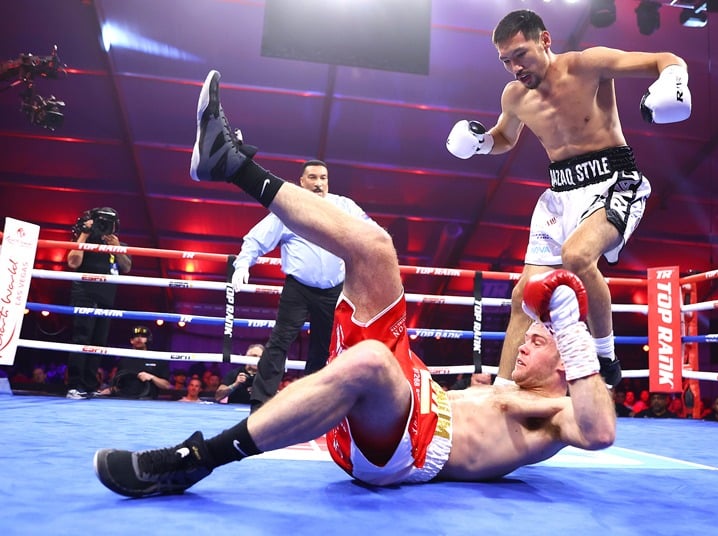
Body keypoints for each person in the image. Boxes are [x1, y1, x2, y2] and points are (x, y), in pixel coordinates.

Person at [92, 69, 616, 498]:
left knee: (367, 363)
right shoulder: (507, 388)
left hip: (407, 448)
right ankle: (227, 163)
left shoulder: (555, 414)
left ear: (567, 364)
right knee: (374, 246)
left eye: (540, 342)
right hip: (413, 391)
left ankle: (195, 459)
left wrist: (573, 329)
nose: (526, 342)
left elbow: (599, 432)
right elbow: (521, 310)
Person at [446, 10, 692, 389]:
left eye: (520, 54)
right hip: (559, 196)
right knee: (522, 297)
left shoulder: (587, 65)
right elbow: (505, 137)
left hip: (613, 181)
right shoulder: (514, 95)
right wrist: (481, 143)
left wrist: (674, 79)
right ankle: (503, 392)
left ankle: (606, 356)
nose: (514, 67)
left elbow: (665, 60)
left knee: (577, 257)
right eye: (506, 60)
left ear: (545, 40)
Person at [230, 159, 373, 413]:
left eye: (323, 178)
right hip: (298, 287)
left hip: (334, 290)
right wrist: (242, 265)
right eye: (313, 178)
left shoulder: (344, 206)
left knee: (325, 347)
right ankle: (260, 403)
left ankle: (313, 405)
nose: (319, 183)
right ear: (302, 181)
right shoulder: (289, 208)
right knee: (280, 341)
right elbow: (256, 239)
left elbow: (372, 233)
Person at [65, 207, 132, 399]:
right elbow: (73, 263)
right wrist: (84, 235)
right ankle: (75, 385)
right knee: (81, 339)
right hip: (84, 295)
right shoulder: (83, 240)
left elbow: (126, 267)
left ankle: (89, 385)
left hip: (106, 299)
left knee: (99, 343)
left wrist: (116, 246)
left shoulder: (118, 244)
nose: (104, 227)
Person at [97, 326, 172, 399]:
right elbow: (118, 384)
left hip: (147, 399)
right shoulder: (123, 359)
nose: (139, 339)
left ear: (148, 339)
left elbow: (166, 385)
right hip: (124, 398)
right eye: (136, 336)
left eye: (143, 336)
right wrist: (109, 390)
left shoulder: (157, 359)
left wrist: (152, 377)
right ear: (131, 340)